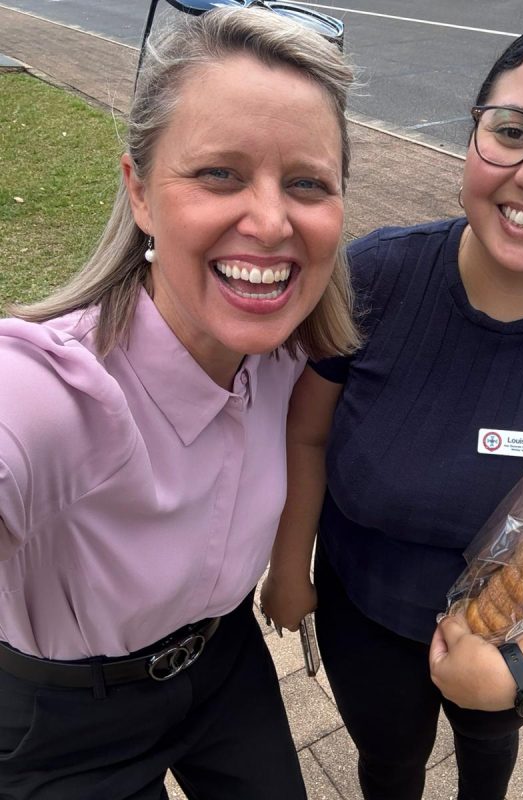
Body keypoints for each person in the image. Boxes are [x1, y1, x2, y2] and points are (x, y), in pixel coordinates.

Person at [262, 14, 523, 800]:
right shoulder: (373, 278)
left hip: (513, 630)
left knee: (488, 753)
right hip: (362, 607)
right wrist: (288, 571)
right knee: (389, 761)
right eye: (512, 131)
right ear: (474, 135)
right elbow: (306, 435)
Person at [0, 7, 358, 800]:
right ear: (140, 192)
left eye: (307, 183)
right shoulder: (53, 391)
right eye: (219, 173)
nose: (271, 221)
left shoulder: (289, 353)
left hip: (222, 662)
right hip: (62, 723)